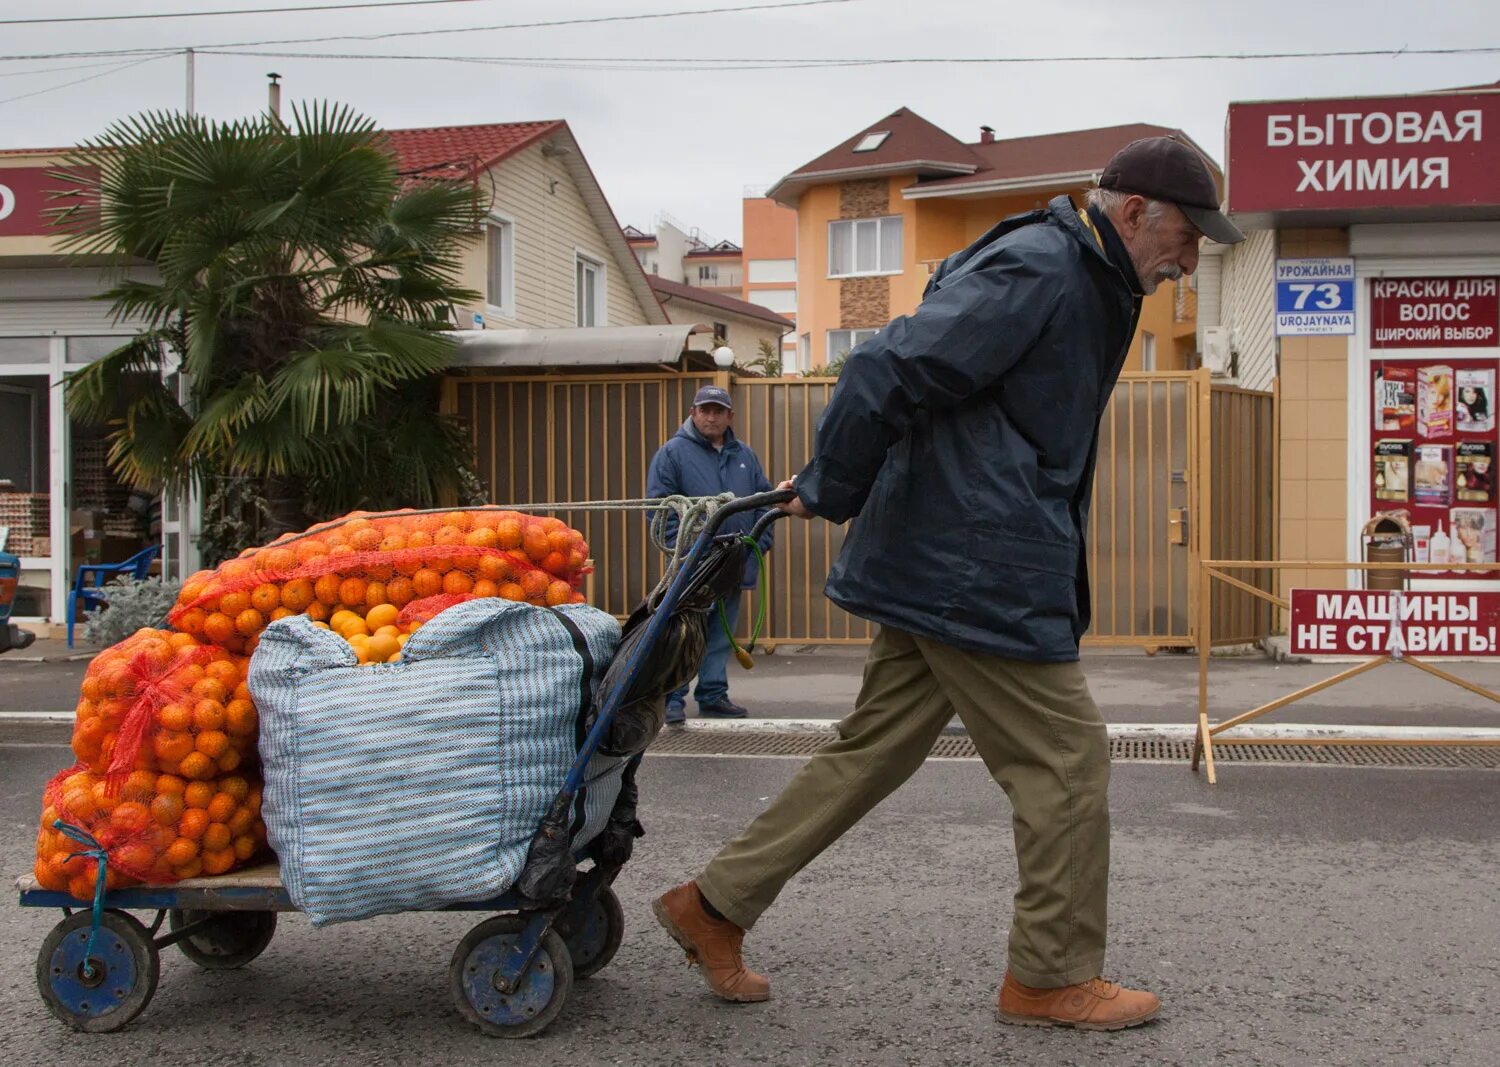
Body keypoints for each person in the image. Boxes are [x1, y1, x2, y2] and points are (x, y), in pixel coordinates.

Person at [653, 137, 1244, 1029]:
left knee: (873, 749)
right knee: (1067, 757)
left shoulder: (1089, 274)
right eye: (1187, 235)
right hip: (972, 565)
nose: (1191, 257)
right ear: (1132, 213)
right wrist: (831, 482)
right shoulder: (1045, 266)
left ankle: (715, 904)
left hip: (952, 549)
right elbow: (887, 366)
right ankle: (1049, 974)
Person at [647, 384, 775, 722]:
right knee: (683, 632)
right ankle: (673, 699)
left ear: (730, 416)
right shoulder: (672, 453)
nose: (711, 416)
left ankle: (713, 694)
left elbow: (764, 501)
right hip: (692, 564)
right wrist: (684, 551)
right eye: (705, 410)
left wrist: (758, 543)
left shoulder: (745, 455)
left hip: (735, 562)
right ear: (693, 413)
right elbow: (660, 508)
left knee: (721, 632)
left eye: (718, 411)